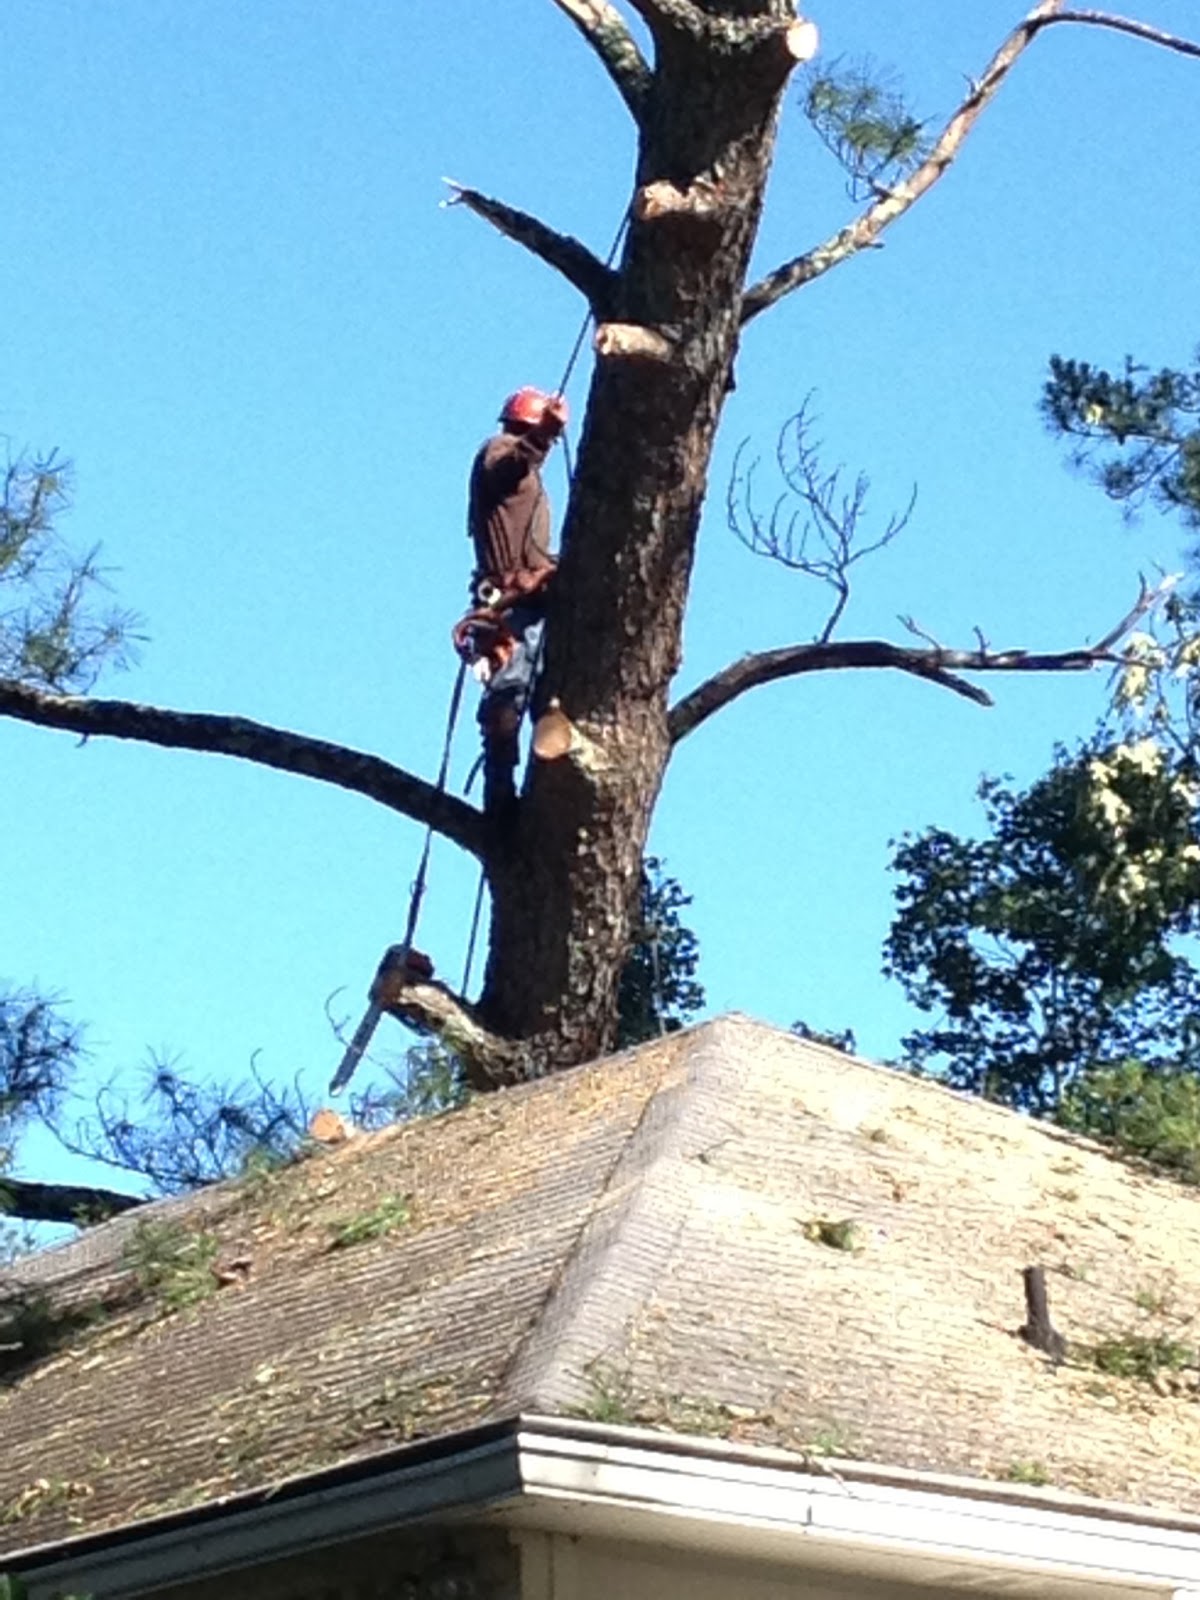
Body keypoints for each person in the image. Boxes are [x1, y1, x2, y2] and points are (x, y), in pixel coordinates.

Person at [462, 386, 568, 815]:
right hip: (511, 605)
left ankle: (541, 807)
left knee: (551, 708)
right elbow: (509, 466)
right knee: (507, 701)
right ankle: (501, 807)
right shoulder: (499, 450)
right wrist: (541, 435)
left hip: (538, 605)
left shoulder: (532, 481)